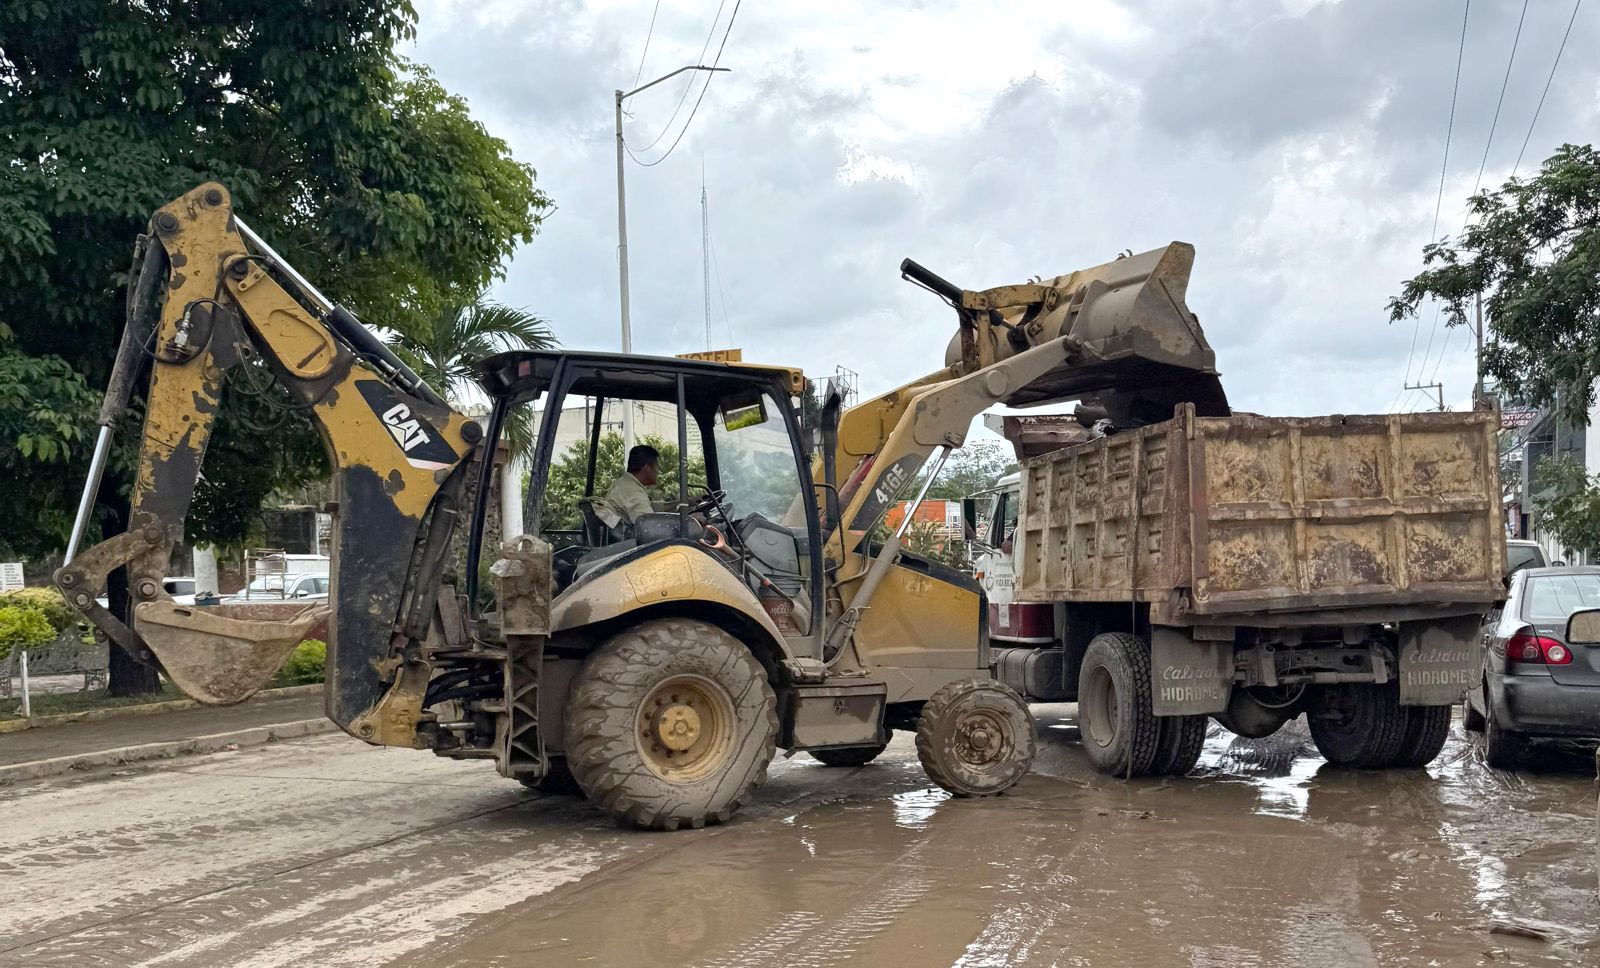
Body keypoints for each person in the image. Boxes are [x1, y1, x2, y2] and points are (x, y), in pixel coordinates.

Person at [597, 444, 659, 534]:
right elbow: (650, 527)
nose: (657, 471)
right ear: (647, 468)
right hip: (627, 544)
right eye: (656, 467)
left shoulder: (623, 484)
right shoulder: (633, 492)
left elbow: (650, 506)